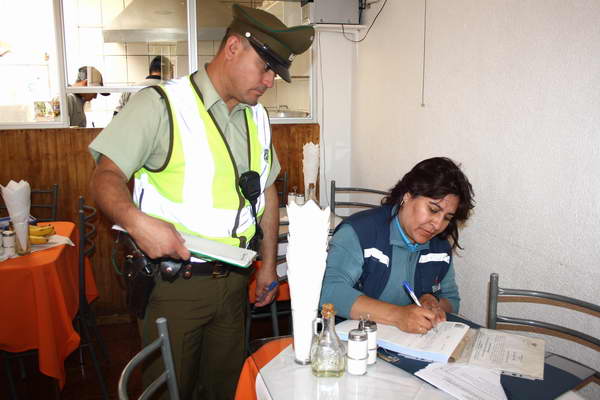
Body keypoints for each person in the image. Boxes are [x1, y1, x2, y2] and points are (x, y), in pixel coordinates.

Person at [88, 4, 313, 400]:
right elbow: (105, 177)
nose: (269, 81)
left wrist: (267, 264)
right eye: (264, 67)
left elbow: (266, 190)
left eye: (274, 73)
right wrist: (136, 222)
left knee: (226, 387)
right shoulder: (161, 105)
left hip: (235, 281)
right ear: (232, 48)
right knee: (170, 390)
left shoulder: (257, 116)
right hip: (177, 284)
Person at [320, 157, 475, 335]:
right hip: (353, 339)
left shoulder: (439, 246)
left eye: (447, 218)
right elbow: (330, 292)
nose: (438, 224)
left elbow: (451, 299)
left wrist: (433, 302)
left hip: (408, 343)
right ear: (407, 196)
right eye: (433, 210)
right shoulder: (360, 232)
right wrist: (398, 315)